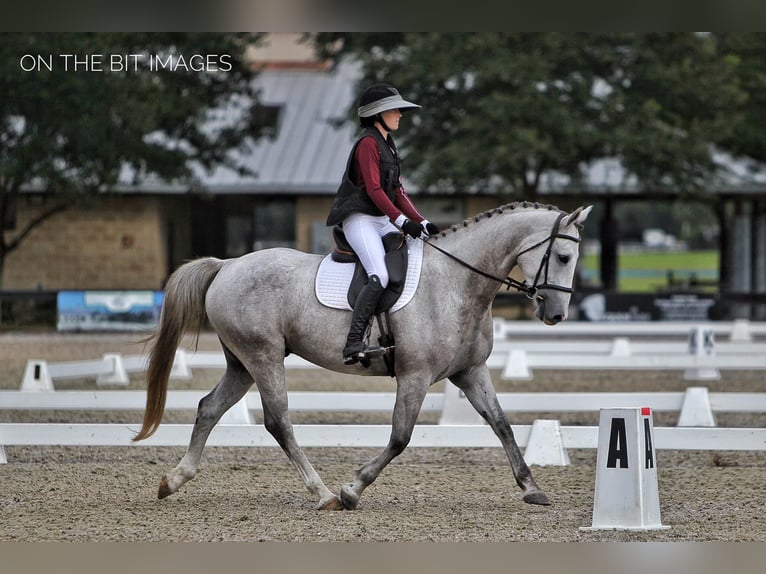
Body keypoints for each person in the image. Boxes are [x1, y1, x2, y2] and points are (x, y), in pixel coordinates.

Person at [326, 83, 440, 365]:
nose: (400, 114)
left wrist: (421, 221)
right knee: (381, 274)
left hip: (380, 219)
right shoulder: (367, 143)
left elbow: (397, 190)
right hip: (360, 220)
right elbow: (375, 190)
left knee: (417, 257)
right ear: (377, 114)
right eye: (394, 110)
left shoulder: (387, 142)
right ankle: (353, 343)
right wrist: (401, 220)